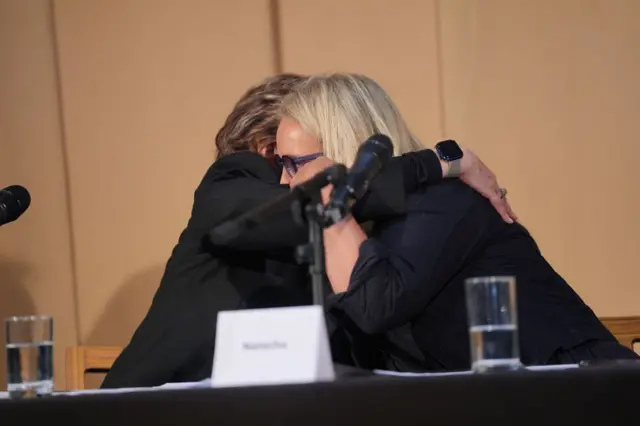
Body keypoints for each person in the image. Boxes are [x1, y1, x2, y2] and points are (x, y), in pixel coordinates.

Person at [101, 73, 515, 388]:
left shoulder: (347, 224)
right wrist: (438, 163)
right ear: (270, 146)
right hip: (152, 404)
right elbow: (316, 199)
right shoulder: (231, 181)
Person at [276, 73, 638, 371]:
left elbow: (372, 307)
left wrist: (328, 196)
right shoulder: (358, 226)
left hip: (583, 391)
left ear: (345, 148)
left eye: (294, 164)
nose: (283, 182)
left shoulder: (441, 203)